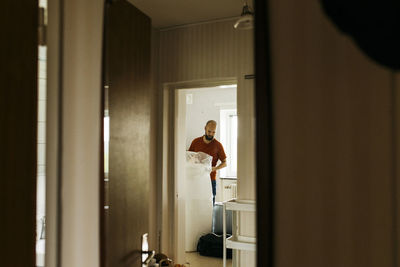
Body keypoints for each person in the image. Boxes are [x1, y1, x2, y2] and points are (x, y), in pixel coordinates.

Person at [188, 120, 227, 205]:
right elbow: (188, 157)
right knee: (196, 204)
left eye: (213, 132)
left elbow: (224, 163)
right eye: (209, 131)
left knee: (209, 205)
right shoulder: (196, 142)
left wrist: (215, 168)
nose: (211, 134)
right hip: (196, 178)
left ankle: (209, 219)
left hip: (210, 180)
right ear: (205, 129)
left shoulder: (218, 145)